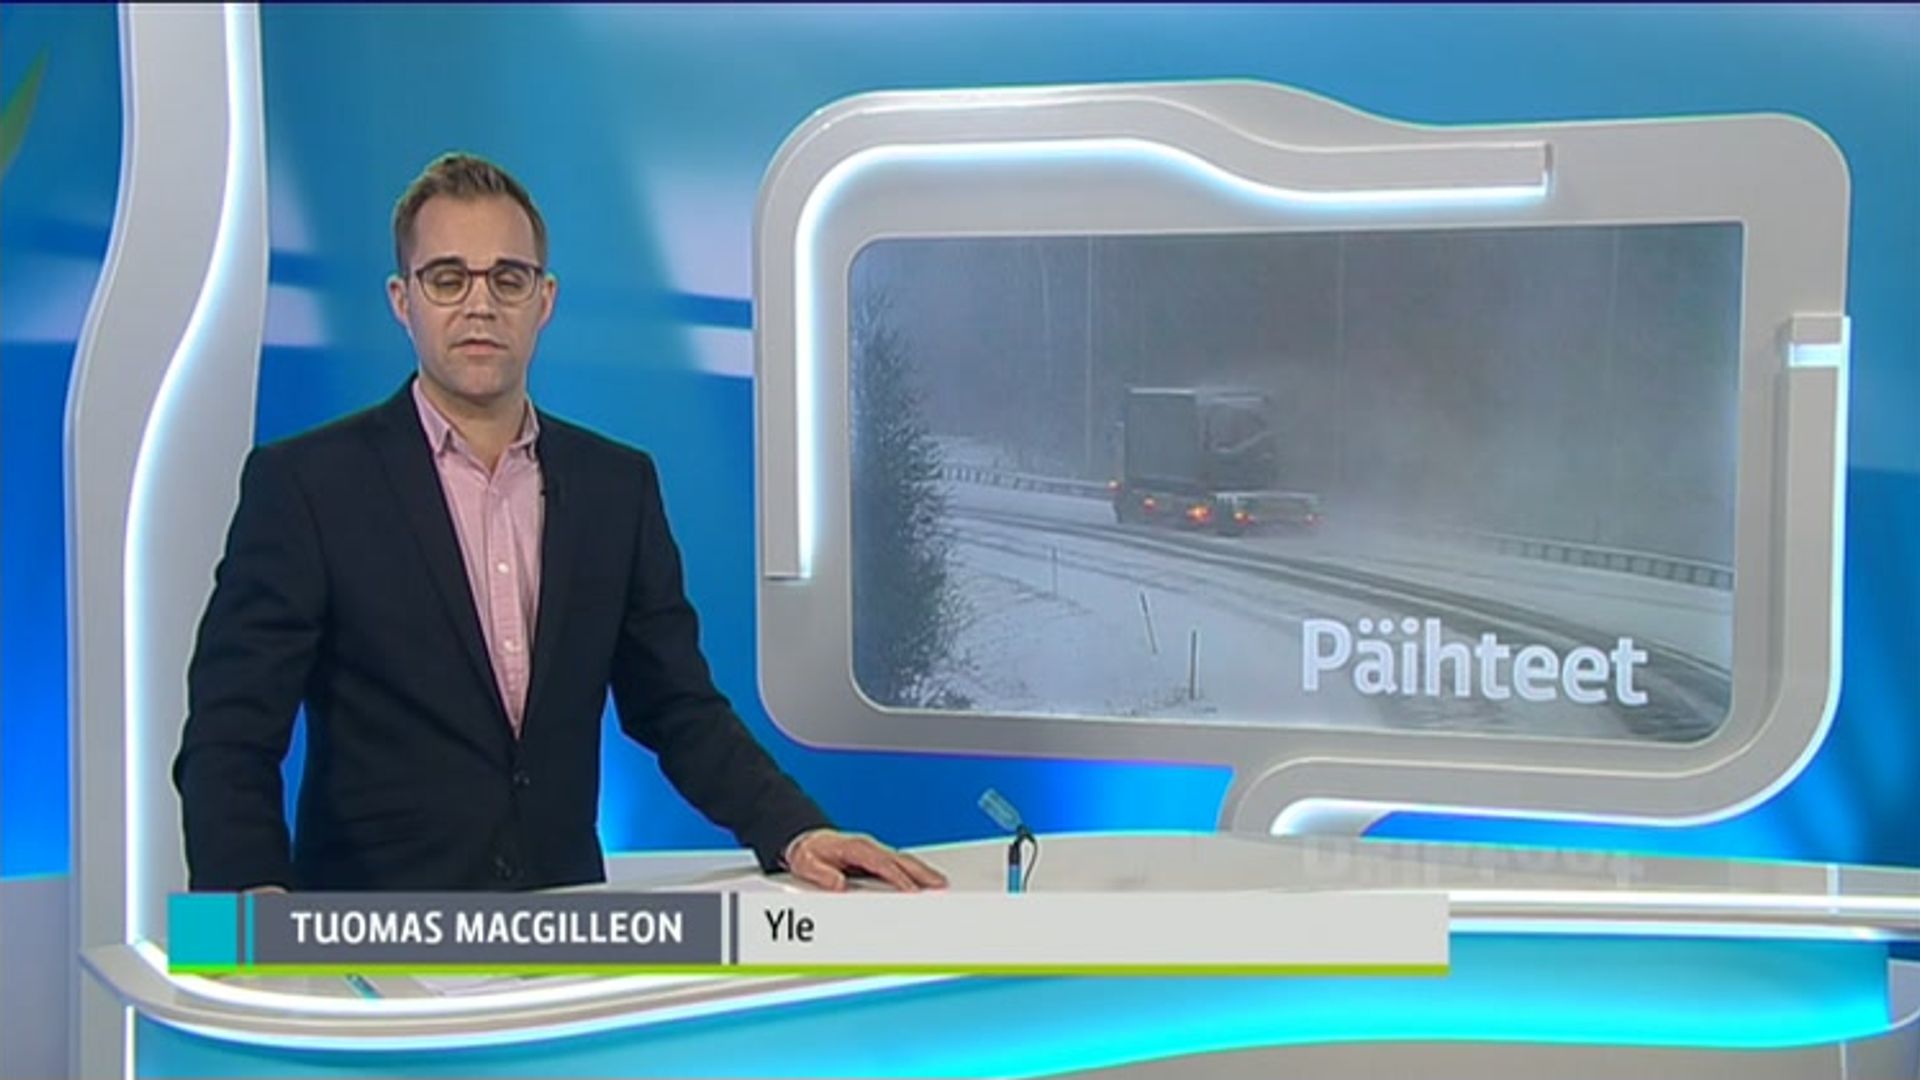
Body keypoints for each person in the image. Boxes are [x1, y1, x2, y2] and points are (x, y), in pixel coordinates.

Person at [173, 152, 944, 895]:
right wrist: (248, 906)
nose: (480, 304)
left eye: (507, 278)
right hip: (374, 943)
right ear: (403, 301)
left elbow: (677, 707)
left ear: (543, 301)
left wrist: (795, 831)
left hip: (563, 930)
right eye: (448, 278)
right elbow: (230, 731)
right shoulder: (307, 486)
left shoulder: (617, 487)